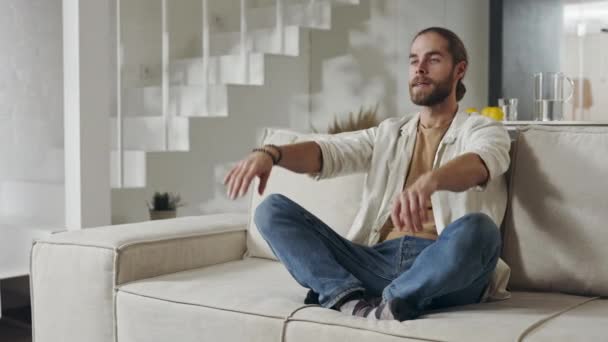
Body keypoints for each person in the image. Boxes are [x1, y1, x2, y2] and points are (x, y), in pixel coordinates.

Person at [223, 27, 511, 322]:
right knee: (272, 210)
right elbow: (329, 152)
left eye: (433, 59)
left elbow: (481, 162)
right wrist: (271, 154)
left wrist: (431, 181)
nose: (420, 69)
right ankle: (354, 299)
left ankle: (393, 296)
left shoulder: (483, 129)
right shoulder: (389, 133)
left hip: (446, 270)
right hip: (375, 261)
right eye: (413, 61)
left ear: (459, 69)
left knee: (481, 230)